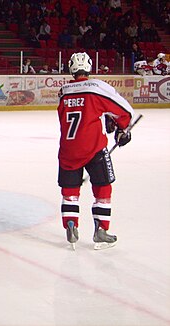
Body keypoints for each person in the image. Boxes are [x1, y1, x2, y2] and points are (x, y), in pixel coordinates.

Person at [57, 52, 134, 250]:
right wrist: (122, 129)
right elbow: (124, 111)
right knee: (103, 187)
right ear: (90, 67)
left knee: (70, 191)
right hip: (93, 148)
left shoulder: (64, 92)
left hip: (68, 149)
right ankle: (101, 230)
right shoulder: (96, 87)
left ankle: (71, 224)